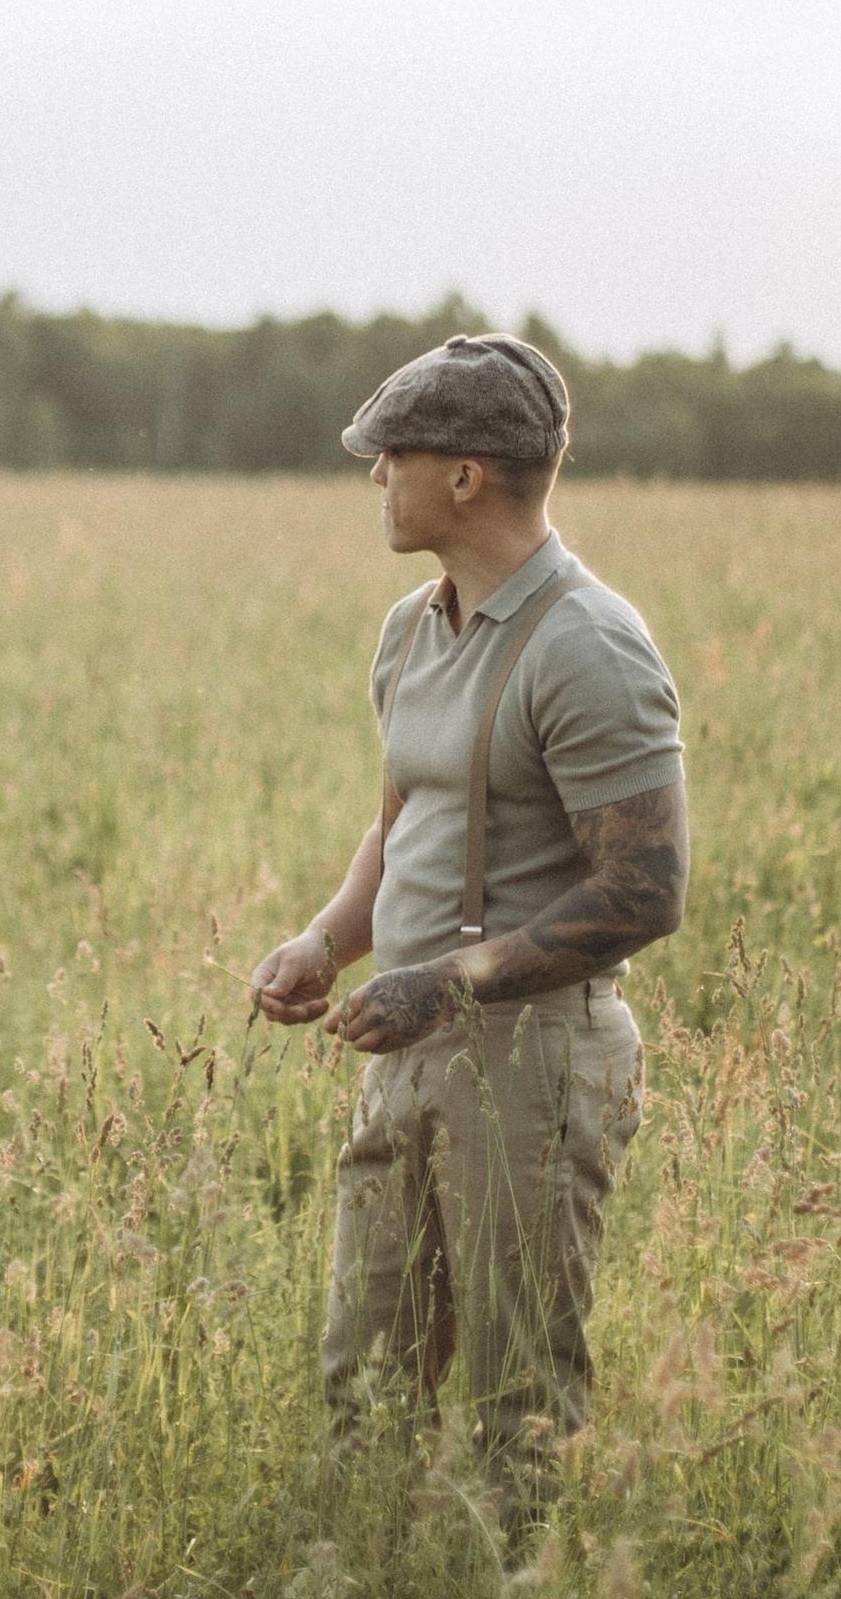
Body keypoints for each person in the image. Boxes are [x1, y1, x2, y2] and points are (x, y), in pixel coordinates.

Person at [249, 331, 687, 1498]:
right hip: (405, 1044)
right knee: (367, 1374)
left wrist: (445, 982)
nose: (372, 477)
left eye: (390, 452)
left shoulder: (589, 646)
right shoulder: (410, 626)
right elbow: (403, 818)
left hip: (538, 1060)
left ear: (465, 475)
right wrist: (328, 938)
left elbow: (646, 889)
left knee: (517, 1405)